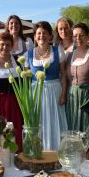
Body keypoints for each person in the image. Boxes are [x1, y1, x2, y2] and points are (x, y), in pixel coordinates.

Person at [25, 21, 67, 150]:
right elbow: (26, 80)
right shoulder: (28, 54)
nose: (41, 36)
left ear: (50, 36)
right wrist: (27, 99)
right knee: (39, 123)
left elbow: (63, 75)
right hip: (35, 93)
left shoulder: (57, 50)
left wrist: (63, 94)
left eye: (44, 33)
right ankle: (38, 152)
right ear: (34, 36)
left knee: (54, 122)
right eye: (38, 33)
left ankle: (55, 152)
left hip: (54, 91)